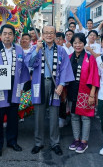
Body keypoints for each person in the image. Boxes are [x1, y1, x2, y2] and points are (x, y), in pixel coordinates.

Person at [28, 25, 74, 156]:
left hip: (55, 84)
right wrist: (37, 49)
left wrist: (62, 84)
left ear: (55, 35)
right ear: (42, 34)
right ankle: (38, 142)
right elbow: (30, 64)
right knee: (38, 114)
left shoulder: (61, 50)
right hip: (39, 83)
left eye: (51, 33)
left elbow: (65, 68)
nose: (49, 35)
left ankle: (55, 143)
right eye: (46, 33)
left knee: (54, 114)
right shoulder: (36, 48)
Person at [0, 24, 30, 157]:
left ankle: (12, 141)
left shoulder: (19, 49)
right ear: (0, 35)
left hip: (15, 86)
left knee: (13, 118)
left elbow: (23, 70)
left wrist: (22, 86)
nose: (7, 36)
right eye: (4, 33)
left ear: (13, 36)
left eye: (10, 34)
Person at [67, 33, 99, 153]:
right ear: (72, 44)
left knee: (85, 117)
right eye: (75, 43)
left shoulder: (90, 58)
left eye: (80, 42)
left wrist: (92, 94)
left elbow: (94, 76)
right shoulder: (69, 56)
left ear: (84, 43)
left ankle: (84, 141)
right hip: (72, 91)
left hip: (85, 92)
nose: (77, 45)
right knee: (74, 116)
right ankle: (76, 139)